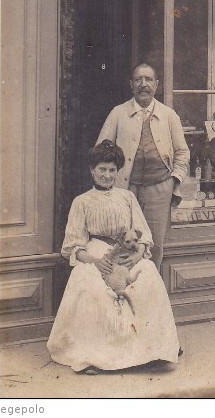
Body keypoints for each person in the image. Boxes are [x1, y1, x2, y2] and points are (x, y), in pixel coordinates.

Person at [47, 140, 180, 374]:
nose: (107, 175)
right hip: (96, 253)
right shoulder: (82, 201)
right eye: (102, 170)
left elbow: (143, 234)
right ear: (92, 170)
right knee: (89, 283)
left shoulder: (127, 197)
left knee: (149, 275)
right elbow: (73, 246)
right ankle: (94, 357)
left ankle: (154, 349)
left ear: (118, 172)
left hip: (128, 253)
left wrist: (138, 256)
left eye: (111, 170)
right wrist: (95, 261)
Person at [97, 63, 190, 269]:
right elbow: (101, 151)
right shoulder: (118, 113)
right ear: (131, 85)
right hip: (125, 189)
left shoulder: (168, 115)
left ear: (156, 85)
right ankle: (124, 288)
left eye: (148, 80)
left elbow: (183, 152)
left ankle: (149, 291)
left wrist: (174, 179)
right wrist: (111, 180)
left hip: (159, 189)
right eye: (138, 79)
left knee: (154, 244)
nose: (143, 84)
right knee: (122, 240)